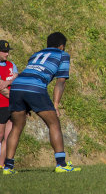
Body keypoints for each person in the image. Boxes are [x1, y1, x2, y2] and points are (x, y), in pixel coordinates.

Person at [2, 32, 80, 174]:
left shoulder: (36, 54)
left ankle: (8, 167)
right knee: (53, 123)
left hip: (17, 87)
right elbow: (60, 82)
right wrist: (55, 105)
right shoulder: (63, 55)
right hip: (35, 87)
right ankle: (61, 164)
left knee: (17, 126)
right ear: (62, 46)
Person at [0, 40, 17, 162]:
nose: (7, 54)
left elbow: (16, 76)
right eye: (4, 51)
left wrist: (8, 82)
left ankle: (2, 164)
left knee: (8, 136)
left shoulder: (12, 65)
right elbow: (1, 88)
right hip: (1, 105)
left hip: (12, 105)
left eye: (7, 51)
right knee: (0, 135)